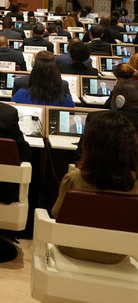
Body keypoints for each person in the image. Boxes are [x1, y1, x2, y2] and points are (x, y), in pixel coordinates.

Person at [53, 112, 138, 264]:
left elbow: (56, 214)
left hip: (72, 250)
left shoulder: (73, 179)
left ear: (89, 144)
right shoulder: (135, 186)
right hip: (116, 255)